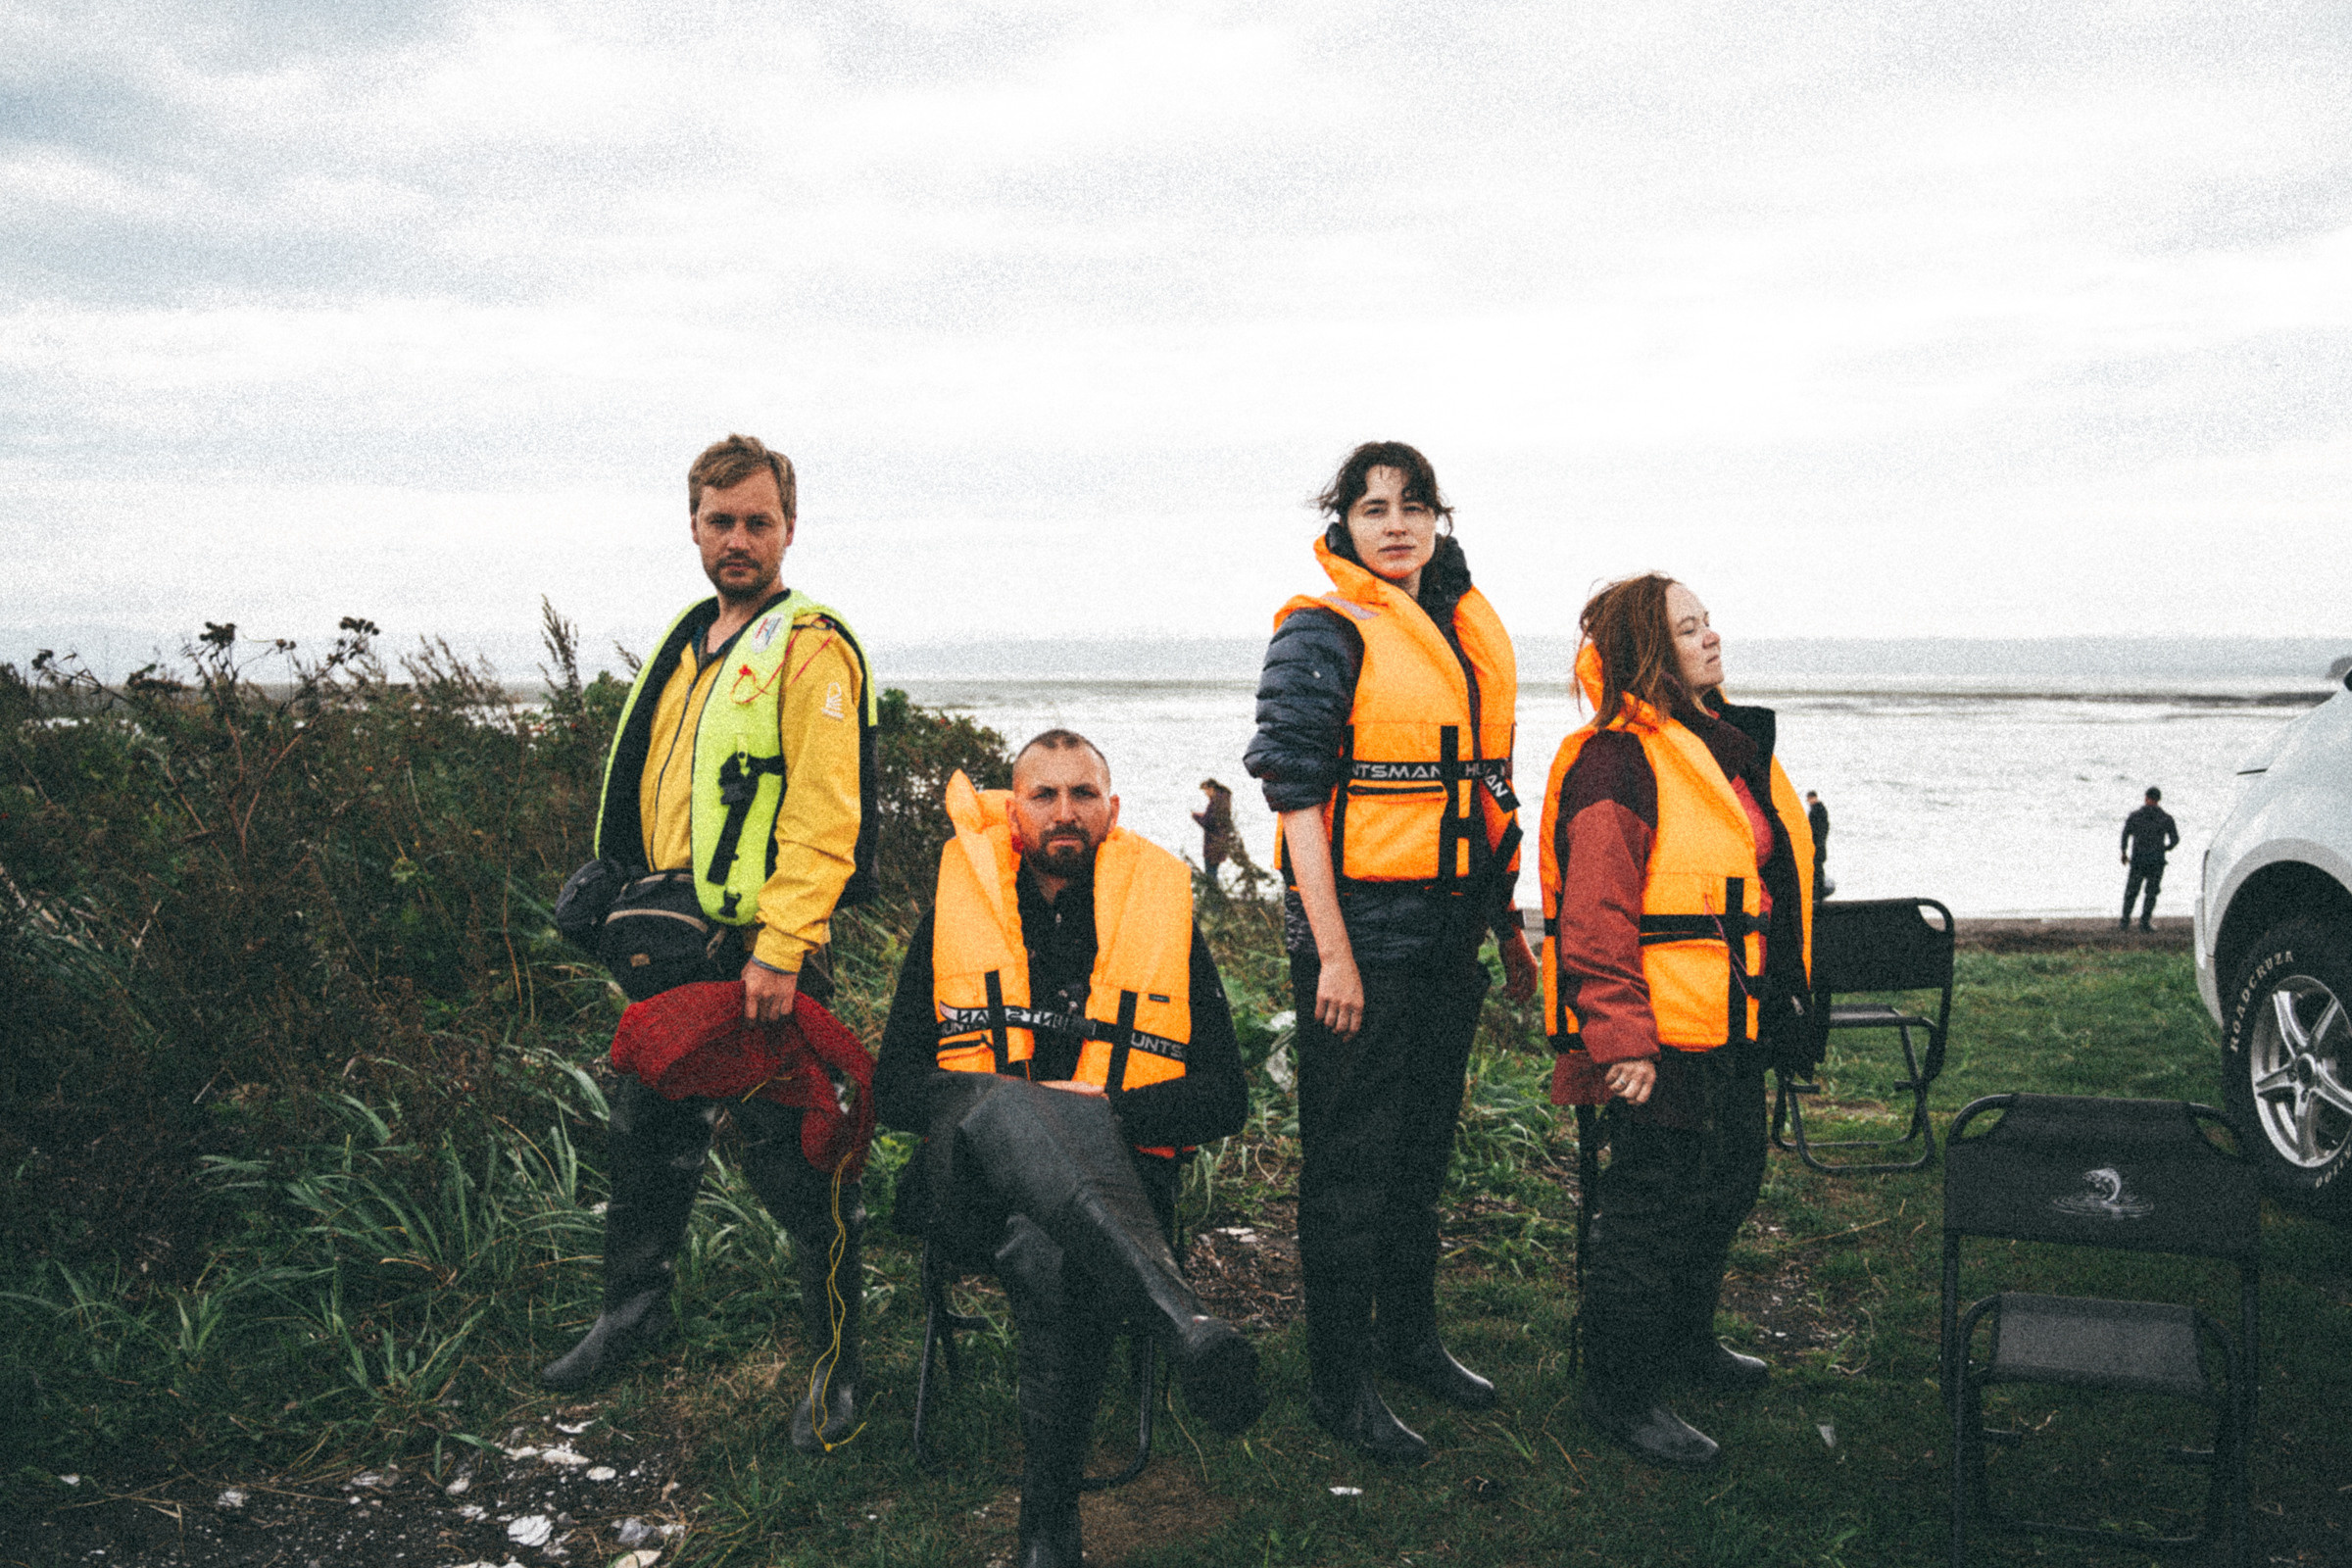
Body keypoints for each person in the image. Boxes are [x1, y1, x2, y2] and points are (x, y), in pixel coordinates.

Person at [543, 434, 878, 1458]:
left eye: (758, 522)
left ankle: (838, 1362)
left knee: (796, 1159)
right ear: (693, 525)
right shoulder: (690, 641)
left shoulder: (809, 649)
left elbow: (825, 816)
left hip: (762, 950)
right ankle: (632, 1315)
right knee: (645, 1131)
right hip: (672, 939)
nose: (739, 539)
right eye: (721, 521)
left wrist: (783, 946)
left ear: (789, 528)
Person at [874, 733, 1262, 1568]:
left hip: (1112, 1186)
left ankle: (1046, 1523)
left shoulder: (1160, 913)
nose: (1064, 812)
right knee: (1017, 1121)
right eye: (1043, 795)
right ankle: (1181, 1321)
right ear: (1013, 810)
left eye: (1083, 795)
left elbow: (1225, 1096)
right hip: (970, 1187)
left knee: (1051, 1248)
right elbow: (895, 1088)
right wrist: (1005, 1103)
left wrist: (1112, 1110)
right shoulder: (956, 909)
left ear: (1111, 810)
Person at [1244, 441, 1538, 1463]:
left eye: (1414, 506)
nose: (1397, 524)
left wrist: (1509, 928)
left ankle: (1409, 1340)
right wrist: (1332, 954)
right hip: (1359, 939)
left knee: (1420, 1157)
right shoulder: (1322, 633)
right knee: (1351, 1167)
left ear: (1436, 520)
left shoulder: (1456, 632)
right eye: (1375, 508)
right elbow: (1296, 800)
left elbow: (1482, 796)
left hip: (1449, 935)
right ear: (1346, 525)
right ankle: (1339, 1381)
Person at [1537, 572, 1814, 1472]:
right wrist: (1622, 1042)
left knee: (1725, 1188)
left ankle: (1685, 1343)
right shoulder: (1616, 762)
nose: (1711, 638)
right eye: (1689, 630)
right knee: (1649, 1214)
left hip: (1732, 1024)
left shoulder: (1721, 744)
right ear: (1650, 651)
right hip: (1660, 1037)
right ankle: (1619, 1392)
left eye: (1708, 623)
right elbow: (1594, 916)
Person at [2120, 787, 2179, 932]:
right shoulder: (2166, 818)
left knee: (2131, 891)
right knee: (2151, 893)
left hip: (2138, 859)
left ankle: (2125, 921)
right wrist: (2165, 848)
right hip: (2156, 860)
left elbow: (2125, 834)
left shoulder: (2135, 816)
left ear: (2146, 798)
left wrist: (2124, 852)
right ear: (2159, 799)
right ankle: (2144, 923)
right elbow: (2175, 840)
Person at [1193, 777, 1239, 876]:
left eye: (1206, 790)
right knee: (1213, 871)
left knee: (1210, 873)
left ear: (1211, 788)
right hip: (1221, 841)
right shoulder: (1223, 800)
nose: (1205, 793)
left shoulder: (1215, 802)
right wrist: (1204, 815)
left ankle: (1212, 887)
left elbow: (1208, 823)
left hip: (1213, 844)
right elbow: (1214, 819)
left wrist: (1195, 816)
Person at [1805, 790, 1831, 900]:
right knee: (1817, 866)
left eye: (1810, 799)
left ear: (1814, 798)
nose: (1809, 801)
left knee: (1817, 866)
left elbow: (1818, 828)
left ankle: (1818, 889)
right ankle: (1817, 887)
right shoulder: (1818, 809)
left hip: (1817, 844)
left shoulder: (1817, 810)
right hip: (1818, 843)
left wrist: (1816, 840)